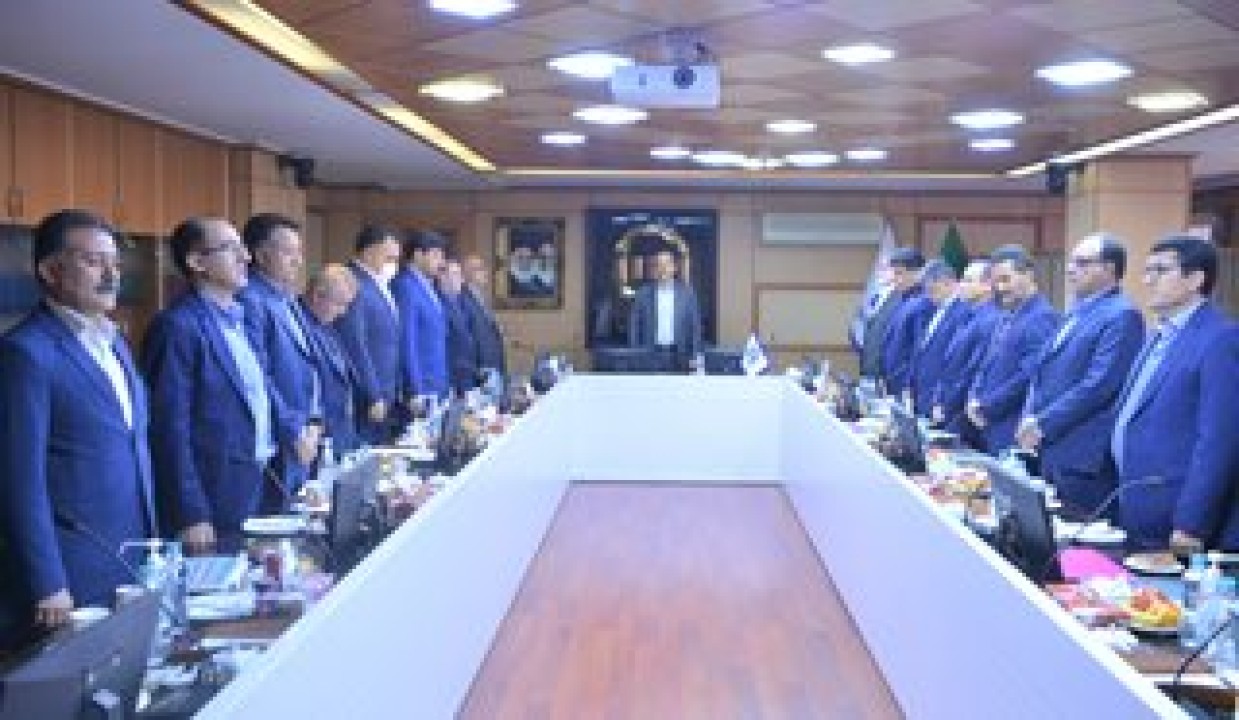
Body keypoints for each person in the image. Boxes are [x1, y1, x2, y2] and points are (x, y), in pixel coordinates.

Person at [0, 210, 155, 641]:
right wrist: (47, 580)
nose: (111, 274)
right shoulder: (25, 354)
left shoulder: (116, 342)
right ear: (50, 271)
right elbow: (19, 481)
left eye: (115, 263)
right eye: (93, 261)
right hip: (72, 569)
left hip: (132, 550)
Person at [142, 218, 275, 554]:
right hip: (209, 499)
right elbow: (169, 428)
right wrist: (191, 511)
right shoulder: (177, 327)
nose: (246, 257)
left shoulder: (241, 318)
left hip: (253, 482)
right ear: (197, 262)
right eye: (231, 249)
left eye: (243, 247)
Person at [1111, 234, 1239, 552]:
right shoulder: (1159, 334)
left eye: (1160, 270)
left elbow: (1219, 441)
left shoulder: (1220, 339)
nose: (1147, 280)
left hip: (1174, 512)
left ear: (1195, 279)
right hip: (1133, 498)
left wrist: (1192, 522)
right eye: (1147, 270)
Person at [1016, 233, 1143, 519]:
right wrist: (1030, 416)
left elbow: (1100, 384)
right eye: (1071, 262)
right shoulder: (1078, 311)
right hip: (1053, 445)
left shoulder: (1122, 315)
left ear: (1109, 269)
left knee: (1080, 535)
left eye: (1082, 263)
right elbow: (1043, 372)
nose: (1071, 269)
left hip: (1083, 453)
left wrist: (1043, 422)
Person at [237, 213, 321, 506]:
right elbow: (258, 375)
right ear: (261, 256)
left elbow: (309, 365)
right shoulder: (250, 299)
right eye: (289, 252)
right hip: (279, 437)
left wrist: (314, 422)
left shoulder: (287, 298)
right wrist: (294, 430)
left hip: (304, 434)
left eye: (299, 252)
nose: (298, 260)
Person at [966, 245, 1060, 454]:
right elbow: (986, 364)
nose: (1000, 288)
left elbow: (1029, 375)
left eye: (1006, 279)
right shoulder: (1007, 315)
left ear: (1029, 275)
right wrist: (974, 398)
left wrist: (987, 406)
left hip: (1013, 429)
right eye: (995, 282)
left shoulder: (1041, 317)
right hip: (990, 425)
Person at [335, 225, 402, 444]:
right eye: (389, 257)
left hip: (387, 391)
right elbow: (355, 343)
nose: (393, 264)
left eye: (396, 259)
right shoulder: (353, 281)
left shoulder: (379, 283)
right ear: (369, 252)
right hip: (367, 397)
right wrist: (373, 394)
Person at [933, 259, 1001, 445]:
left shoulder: (990, 320)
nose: (961, 285)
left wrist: (948, 406)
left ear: (987, 286)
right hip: (951, 409)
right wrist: (939, 399)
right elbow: (949, 364)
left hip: (963, 414)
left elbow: (970, 371)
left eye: (969, 280)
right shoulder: (968, 315)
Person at [302, 264, 361, 455]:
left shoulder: (326, 325)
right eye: (340, 304)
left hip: (340, 433)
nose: (343, 312)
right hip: (317, 436)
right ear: (318, 295)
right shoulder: (300, 325)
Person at [908, 260, 973, 419]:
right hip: (922, 394)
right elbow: (921, 352)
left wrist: (941, 399)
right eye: (926, 289)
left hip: (940, 398)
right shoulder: (934, 311)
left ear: (948, 283)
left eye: (932, 289)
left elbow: (954, 360)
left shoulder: (963, 313)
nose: (928, 294)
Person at [392, 229, 448, 399]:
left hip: (437, 383)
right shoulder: (405, 286)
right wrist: (414, 389)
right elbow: (407, 341)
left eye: (442, 257)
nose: (441, 263)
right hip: (421, 387)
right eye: (436, 256)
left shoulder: (429, 286)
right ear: (418, 255)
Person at [627, 249, 702, 372]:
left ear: (674, 268)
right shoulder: (643, 293)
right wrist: (635, 354)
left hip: (680, 355)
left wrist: (695, 356)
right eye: (658, 265)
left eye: (667, 264)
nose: (663, 269)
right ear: (654, 270)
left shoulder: (687, 293)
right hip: (650, 354)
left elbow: (695, 327)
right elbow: (634, 326)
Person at [880, 248, 934, 397]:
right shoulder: (902, 300)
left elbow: (919, 350)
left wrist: (907, 384)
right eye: (893, 273)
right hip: (893, 383)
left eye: (899, 273)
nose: (893, 279)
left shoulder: (924, 304)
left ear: (918, 274)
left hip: (908, 387)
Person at [461, 253, 507, 378]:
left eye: (484, 268)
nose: (485, 272)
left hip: (493, 368)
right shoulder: (463, 300)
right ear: (467, 273)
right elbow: (468, 342)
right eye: (479, 269)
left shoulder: (480, 297)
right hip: (481, 372)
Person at [438, 258, 481, 394]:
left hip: (468, 376)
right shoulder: (440, 305)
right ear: (442, 277)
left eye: (460, 275)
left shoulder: (460, 303)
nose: (461, 280)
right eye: (455, 274)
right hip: (453, 380)